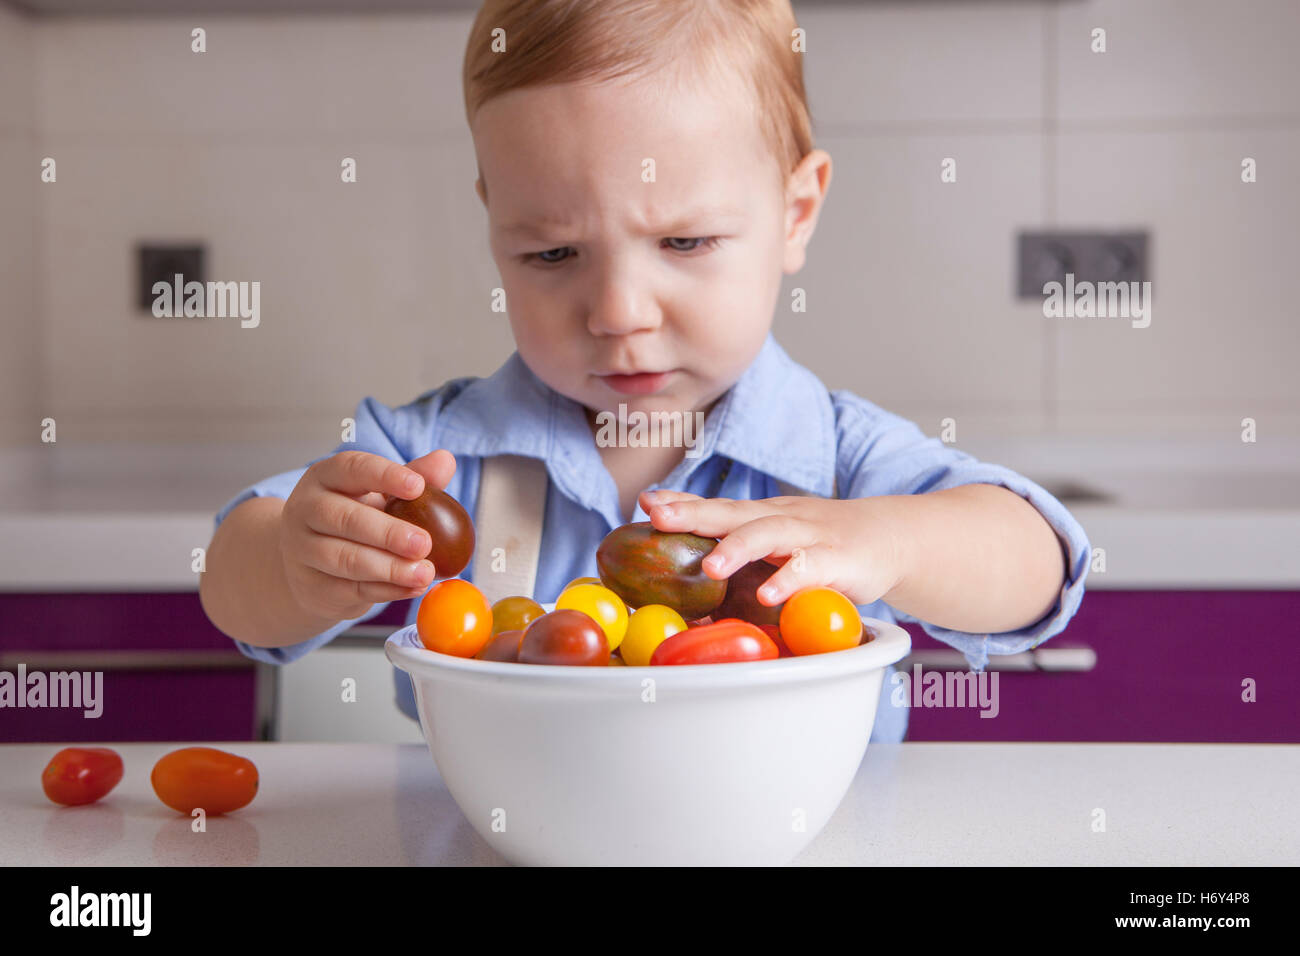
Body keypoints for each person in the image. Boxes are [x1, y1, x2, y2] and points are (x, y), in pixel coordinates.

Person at [199, 0, 1091, 743]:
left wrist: (889, 540)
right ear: (494, 226)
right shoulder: (433, 454)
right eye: (552, 253)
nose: (618, 310)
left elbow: (1039, 563)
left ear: (795, 212)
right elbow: (231, 582)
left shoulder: (837, 460)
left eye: (685, 241)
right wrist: (292, 561)